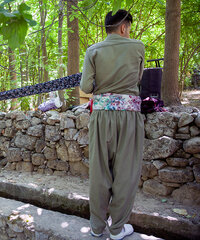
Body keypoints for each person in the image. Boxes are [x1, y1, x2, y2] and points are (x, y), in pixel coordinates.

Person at [80, 10, 145, 240]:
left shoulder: (93, 51)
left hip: (101, 118)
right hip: (128, 116)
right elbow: (138, 79)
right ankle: (117, 228)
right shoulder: (138, 47)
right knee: (126, 172)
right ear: (123, 27)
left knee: (100, 172)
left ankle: (97, 227)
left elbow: (86, 87)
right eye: (129, 27)